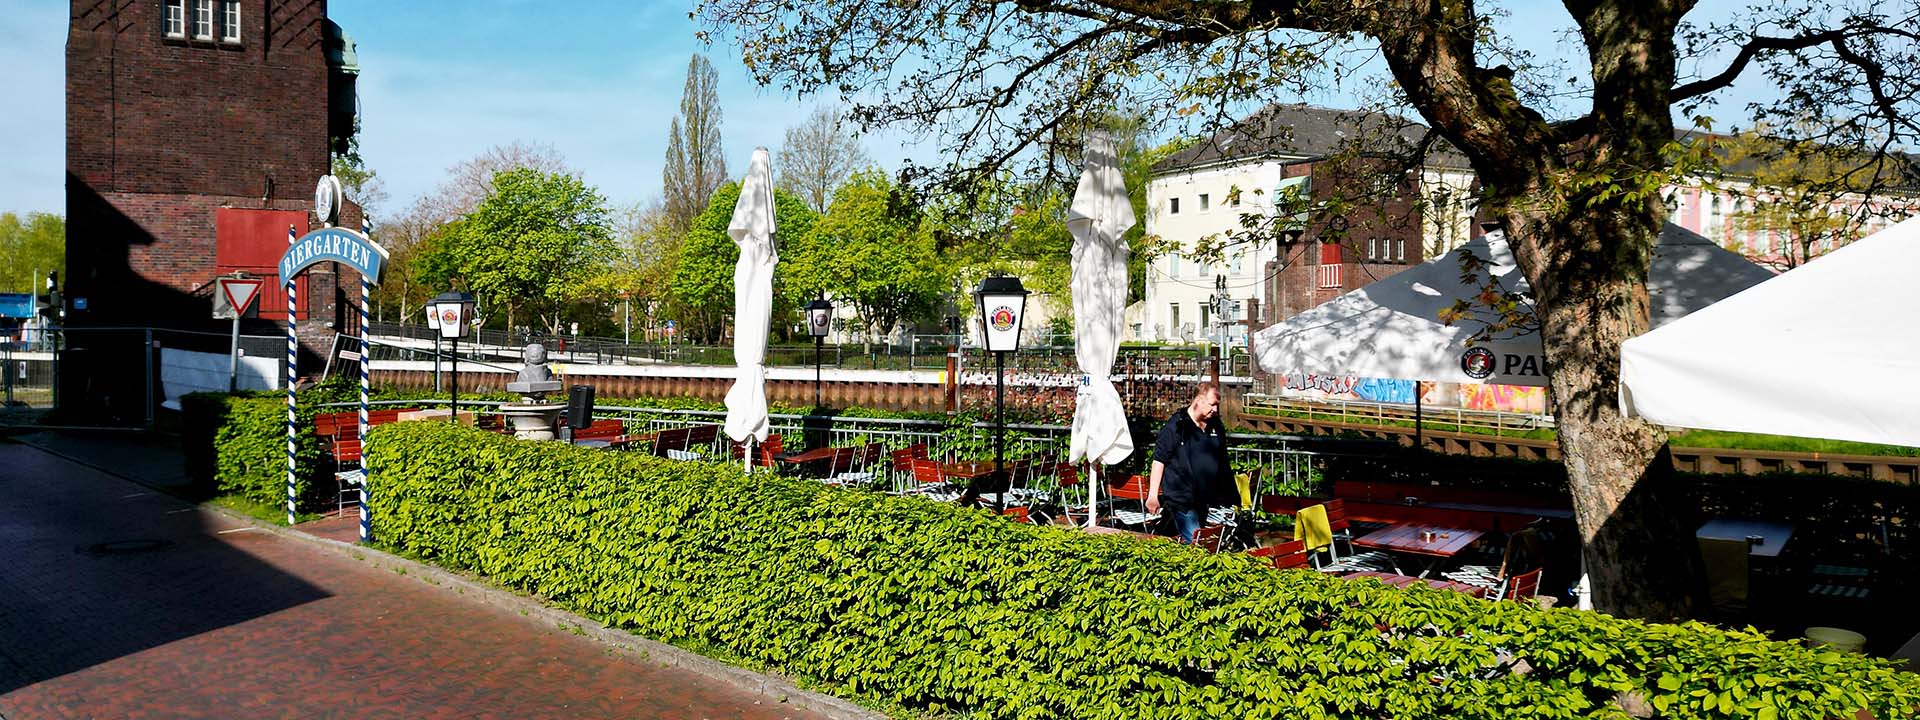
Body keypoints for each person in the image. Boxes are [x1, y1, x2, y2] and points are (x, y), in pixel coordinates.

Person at [1146, 383, 1231, 544]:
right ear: (1199, 400)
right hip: (1181, 498)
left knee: (1183, 540)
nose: (1215, 409)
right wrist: (1152, 495)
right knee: (1196, 543)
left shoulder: (1215, 425)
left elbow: (1221, 459)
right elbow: (1159, 461)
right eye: (1212, 404)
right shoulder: (1176, 427)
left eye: (1217, 405)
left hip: (1204, 497)